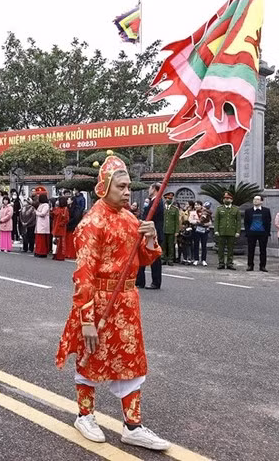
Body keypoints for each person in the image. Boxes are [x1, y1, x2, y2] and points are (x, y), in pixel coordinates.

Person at [56, 154, 169, 451]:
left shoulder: (132, 219)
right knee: (90, 359)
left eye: (129, 186)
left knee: (131, 362)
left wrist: (149, 238)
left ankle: (133, 425)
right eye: (121, 186)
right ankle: (84, 415)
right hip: (99, 300)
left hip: (128, 302)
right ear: (104, 187)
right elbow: (83, 275)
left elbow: (144, 260)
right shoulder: (92, 223)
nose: (127, 191)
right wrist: (87, 320)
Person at [136, 183, 164, 289]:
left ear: (154, 189)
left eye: (150, 188)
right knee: (143, 255)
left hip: (153, 233)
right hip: (148, 233)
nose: (149, 190)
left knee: (155, 260)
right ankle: (140, 281)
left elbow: (149, 217)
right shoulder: (153, 201)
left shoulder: (157, 201)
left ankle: (155, 282)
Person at [244, 195, 271, 272]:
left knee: (263, 250)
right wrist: (247, 232)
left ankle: (262, 266)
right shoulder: (248, 211)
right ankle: (250, 265)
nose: (255, 201)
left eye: (257, 199)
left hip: (263, 234)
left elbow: (268, 222)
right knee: (250, 250)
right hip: (251, 233)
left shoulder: (266, 210)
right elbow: (246, 222)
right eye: (254, 199)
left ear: (261, 201)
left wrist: (267, 233)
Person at [214, 192, 240, 270]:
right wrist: (216, 230)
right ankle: (221, 263)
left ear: (231, 200)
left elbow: (238, 221)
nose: (226, 200)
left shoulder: (236, 209)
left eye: (228, 198)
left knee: (230, 249)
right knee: (221, 249)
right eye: (225, 198)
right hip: (221, 231)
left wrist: (238, 231)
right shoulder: (219, 209)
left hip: (231, 231)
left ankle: (229, 263)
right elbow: (216, 221)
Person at [190, 201, 212, 266]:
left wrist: (204, 224)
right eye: (195, 205)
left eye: (198, 205)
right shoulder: (192, 213)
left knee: (204, 245)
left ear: (201, 206)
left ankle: (203, 260)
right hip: (196, 230)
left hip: (204, 230)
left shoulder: (206, 212)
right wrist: (197, 221)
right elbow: (190, 220)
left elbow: (210, 222)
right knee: (196, 244)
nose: (196, 206)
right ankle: (196, 259)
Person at [161, 192, 179, 265]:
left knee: (171, 246)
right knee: (163, 245)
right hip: (163, 229)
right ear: (165, 199)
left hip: (171, 230)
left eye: (170, 199)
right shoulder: (162, 208)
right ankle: (163, 258)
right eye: (167, 198)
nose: (168, 200)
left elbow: (177, 221)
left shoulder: (175, 209)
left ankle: (170, 259)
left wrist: (176, 231)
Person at [34, 193, 51, 257]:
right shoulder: (41, 205)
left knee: (42, 240)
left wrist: (36, 212)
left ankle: (42, 252)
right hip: (40, 223)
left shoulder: (46, 205)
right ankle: (38, 251)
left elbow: (43, 213)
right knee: (39, 239)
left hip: (43, 224)